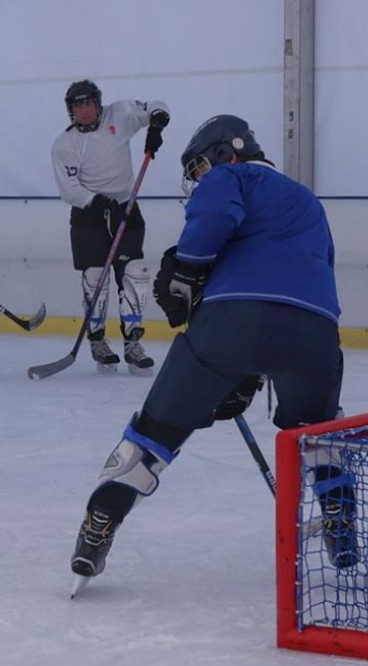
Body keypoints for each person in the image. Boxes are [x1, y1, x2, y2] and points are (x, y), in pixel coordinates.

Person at [70, 114, 352, 591]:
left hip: (231, 325)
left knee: (156, 432)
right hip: (316, 335)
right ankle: (342, 529)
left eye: (200, 166)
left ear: (228, 152)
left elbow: (216, 218)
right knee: (317, 435)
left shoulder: (231, 176)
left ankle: (101, 520)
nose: (199, 178)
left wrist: (187, 271)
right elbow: (305, 280)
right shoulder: (308, 202)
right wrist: (247, 374)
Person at [51, 80, 170, 376]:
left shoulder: (120, 114)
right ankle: (98, 341)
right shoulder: (64, 144)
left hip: (124, 208)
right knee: (95, 279)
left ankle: (133, 343)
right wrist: (94, 200)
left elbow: (157, 106)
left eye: (89, 103)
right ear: (71, 110)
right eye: (78, 105)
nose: (85, 110)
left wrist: (156, 125)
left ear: (98, 103)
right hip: (88, 214)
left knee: (135, 273)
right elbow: (69, 190)